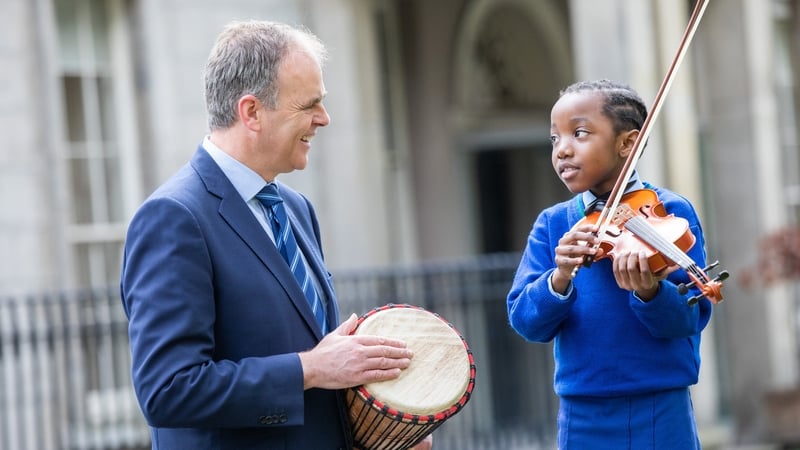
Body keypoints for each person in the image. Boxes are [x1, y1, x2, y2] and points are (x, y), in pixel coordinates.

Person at [120, 20, 432, 450]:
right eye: (309, 105)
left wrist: (376, 435)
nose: (323, 119)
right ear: (251, 112)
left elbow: (317, 380)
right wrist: (310, 368)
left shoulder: (296, 209)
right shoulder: (173, 218)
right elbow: (169, 390)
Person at [506, 79, 713, 449]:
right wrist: (559, 277)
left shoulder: (671, 213)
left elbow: (688, 320)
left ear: (627, 144)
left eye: (579, 133)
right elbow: (526, 322)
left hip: (660, 406)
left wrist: (651, 291)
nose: (563, 150)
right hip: (583, 411)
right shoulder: (554, 224)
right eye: (555, 139)